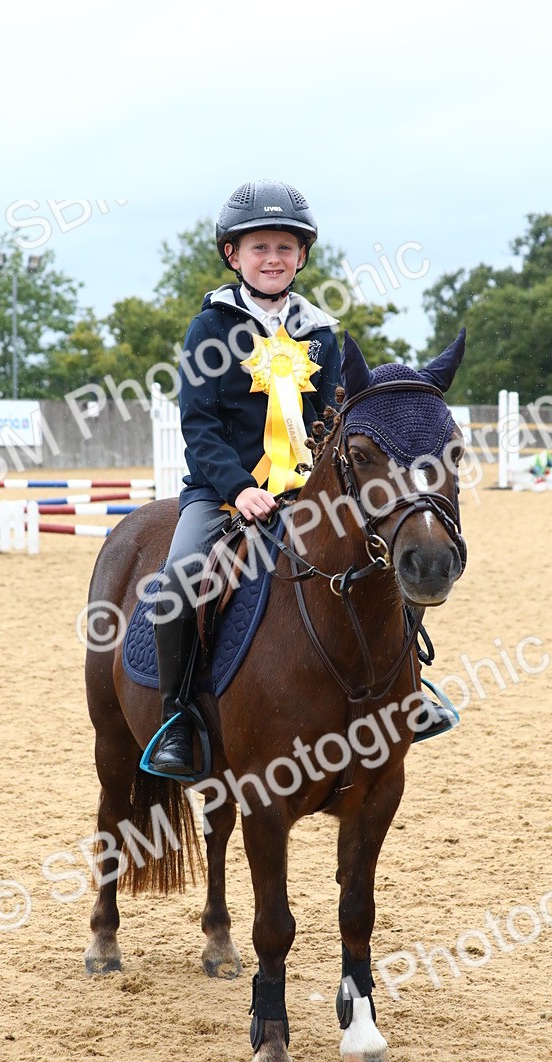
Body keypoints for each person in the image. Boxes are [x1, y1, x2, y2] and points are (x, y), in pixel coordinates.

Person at [150, 179, 341, 775]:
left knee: (381, 553)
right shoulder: (210, 329)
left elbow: (334, 417)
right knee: (180, 579)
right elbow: (200, 423)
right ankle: (178, 719)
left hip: (306, 491)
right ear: (233, 255)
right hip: (223, 495)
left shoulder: (321, 332)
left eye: (285, 247)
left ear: (302, 256)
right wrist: (239, 488)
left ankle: (407, 688)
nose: (273, 259)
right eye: (260, 247)